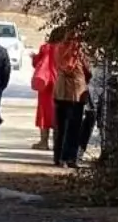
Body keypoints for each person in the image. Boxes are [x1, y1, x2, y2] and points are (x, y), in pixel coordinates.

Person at [53, 30, 92, 168]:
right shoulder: (80, 50)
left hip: (60, 90)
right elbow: (88, 71)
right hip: (76, 91)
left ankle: (58, 157)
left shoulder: (58, 48)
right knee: (74, 127)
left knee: (61, 126)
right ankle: (70, 158)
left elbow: (56, 64)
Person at [29, 27, 62, 151]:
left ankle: (44, 142)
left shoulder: (45, 47)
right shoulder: (65, 49)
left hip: (45, 85)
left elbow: (37, 64)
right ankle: (58, 143)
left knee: (44, 112)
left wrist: (34, 57)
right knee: (58, 113)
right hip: (60, 83)